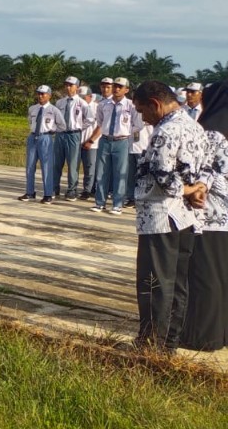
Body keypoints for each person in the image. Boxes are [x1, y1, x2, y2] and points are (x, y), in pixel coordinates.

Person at [130, 80, 209, 351]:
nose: (143, 118)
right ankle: (169, 343)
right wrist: (198, 189)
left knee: (154, 282)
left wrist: (186, 190)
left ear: (155, 104)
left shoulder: (166, 130)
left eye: (143, 111)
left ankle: (151, 343)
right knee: (176, 283)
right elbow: (205, 169)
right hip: (186, 219)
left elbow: (163, 175)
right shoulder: (194, 126)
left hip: (161, 216)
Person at [184, 98, 227, 351]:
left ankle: (202, 335)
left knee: (204, 275)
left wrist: (195, 189)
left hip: (209, 216)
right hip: (223, 218)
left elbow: (205, 173)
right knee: (221, 276)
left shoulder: (211, 133)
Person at [85, 77, 141, 214]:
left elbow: (138, 125)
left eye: (120, 87)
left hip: (121, 141)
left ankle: (117, 204)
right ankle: (100, 202)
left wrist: (125, 133)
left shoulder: (130, 105)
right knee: (102, 172)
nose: (116, 89)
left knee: (120, 173)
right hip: (105, 140)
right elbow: (100, 120)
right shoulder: (104, 104)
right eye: (115, 86)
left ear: (126, 90)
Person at [20, 85, 65, 204]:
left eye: (43, 94)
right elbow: (30, 121)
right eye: (39, 93)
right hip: (33, 136)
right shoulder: (32, 108)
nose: (40, 96)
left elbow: (62, 125)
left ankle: (48, 194)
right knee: (30, 166)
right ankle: (30, 192)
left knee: (46, 166)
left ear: (49, 95)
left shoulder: (54, 110)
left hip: (46, 137)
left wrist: (52, 131)